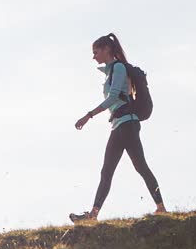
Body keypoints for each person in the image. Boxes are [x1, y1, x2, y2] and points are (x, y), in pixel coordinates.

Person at [70, 33, 166, 222]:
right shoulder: (110, 71)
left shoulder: (119, 68)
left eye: (96, 52)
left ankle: (161, 207)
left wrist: (88, 116)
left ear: (107, 49)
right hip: (118, 125)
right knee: (107, 171)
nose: (94, 57)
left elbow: (113, 97)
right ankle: (93, 215)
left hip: (128, 124)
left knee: (140, 167)